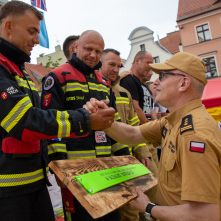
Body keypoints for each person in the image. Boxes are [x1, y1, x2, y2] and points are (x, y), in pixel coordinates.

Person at [0, 2, 115, 221]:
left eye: (98, 51)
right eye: (32, 31)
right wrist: (86, 119)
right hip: (9, 190)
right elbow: (27, 121)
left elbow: (44, 119)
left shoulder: (19, 70)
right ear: (8, 26)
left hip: (33, 183)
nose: (37, 39)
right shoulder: (7, 69)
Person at [85, 52, 221, 221]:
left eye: (163, 76)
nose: (155, 82)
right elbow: (132, 134)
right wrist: (100, 118)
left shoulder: (194, 134)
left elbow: (207, 215)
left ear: (183, 83)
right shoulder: (175, 120)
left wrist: (148, 207)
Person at [41, 30, 130, 221]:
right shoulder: (57, 77)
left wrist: (125, 158)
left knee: (111, 217)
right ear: (76, 48)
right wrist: (59, 165)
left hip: (107, 170)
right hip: (75, 172)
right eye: (88, 49)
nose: (93, 55)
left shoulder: (105, 84)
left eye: (98, 51)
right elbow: (50, 124)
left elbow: (114, 124)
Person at [99, 48, 154, 221]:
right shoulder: (94, 90)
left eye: (119, 65)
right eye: (111, 65)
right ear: (100, 64)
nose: (116, 69)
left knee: (133, 208)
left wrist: (143, 151)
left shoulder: (124, 93)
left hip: (128, 159)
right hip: (105, 162)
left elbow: (134, 125)